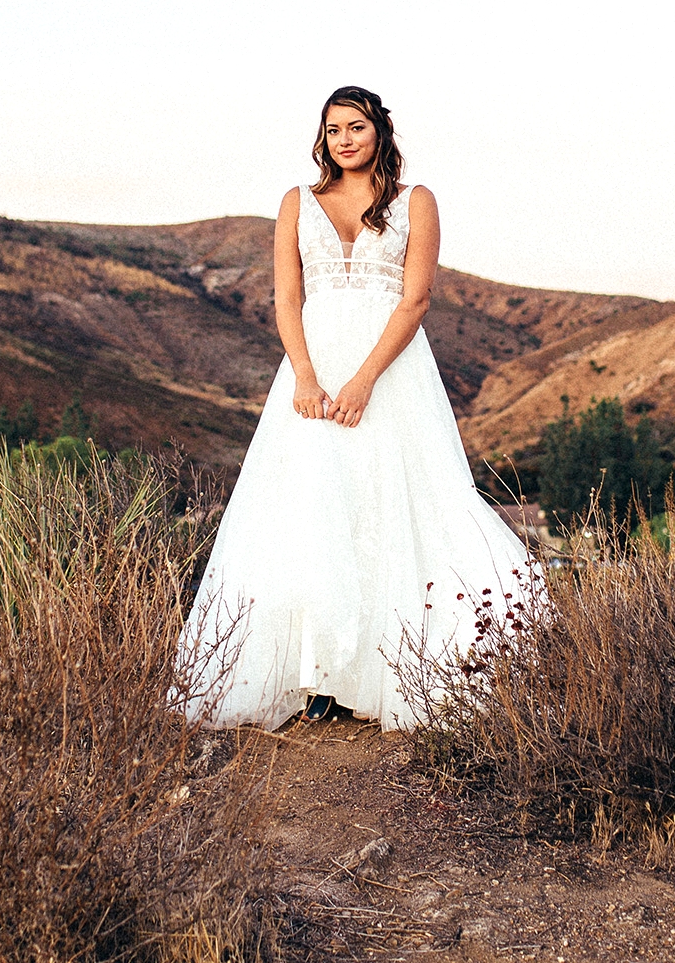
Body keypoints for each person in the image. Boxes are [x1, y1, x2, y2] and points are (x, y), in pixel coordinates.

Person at [180, 85, 535, 731]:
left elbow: (416, 300)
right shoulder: (298, 202)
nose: (344, 138)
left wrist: (366, 379)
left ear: (380, 132)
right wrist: (307, 377)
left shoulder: (414, 201)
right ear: (323, 137)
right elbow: (288, 299)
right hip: (311, 374)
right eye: (334, 128)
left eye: (357, 127)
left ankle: (384, 665)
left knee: (393, 502)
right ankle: (315, 674)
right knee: (313, 507)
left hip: (389, 372)